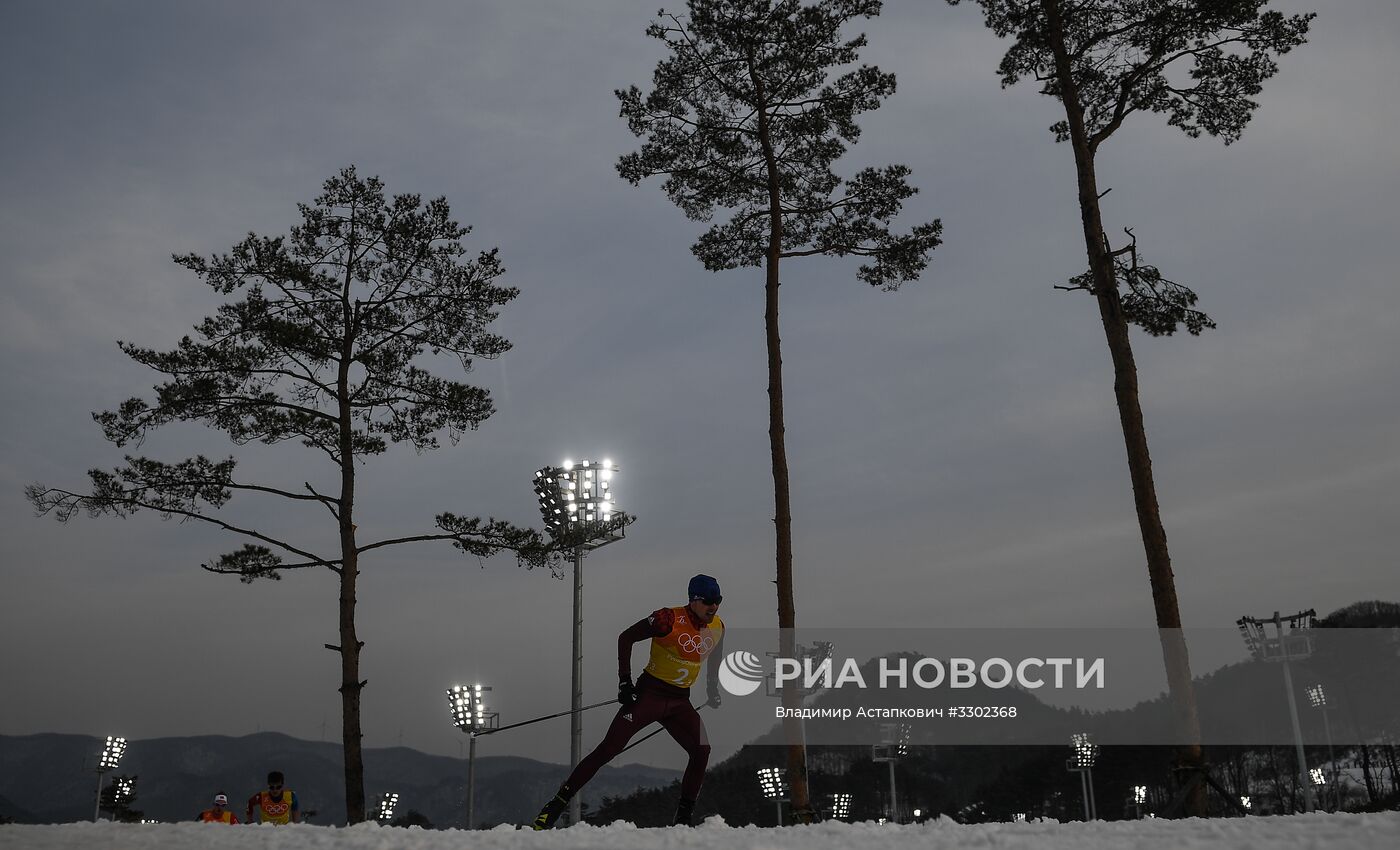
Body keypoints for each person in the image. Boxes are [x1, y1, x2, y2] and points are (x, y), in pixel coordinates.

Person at [533, 574, 725, 829]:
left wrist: (712, 687)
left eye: (718, 600)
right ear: (694, 600)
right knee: (608, 749)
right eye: (709, 601)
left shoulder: (718, 626)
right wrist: (625, 681)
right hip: (650, 696)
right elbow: (626, 637)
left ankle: (683, 819)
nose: (714, 606)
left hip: (680, 702)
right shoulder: (667, 619)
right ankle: (554, 806)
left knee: (701, 750)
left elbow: (714, 654)